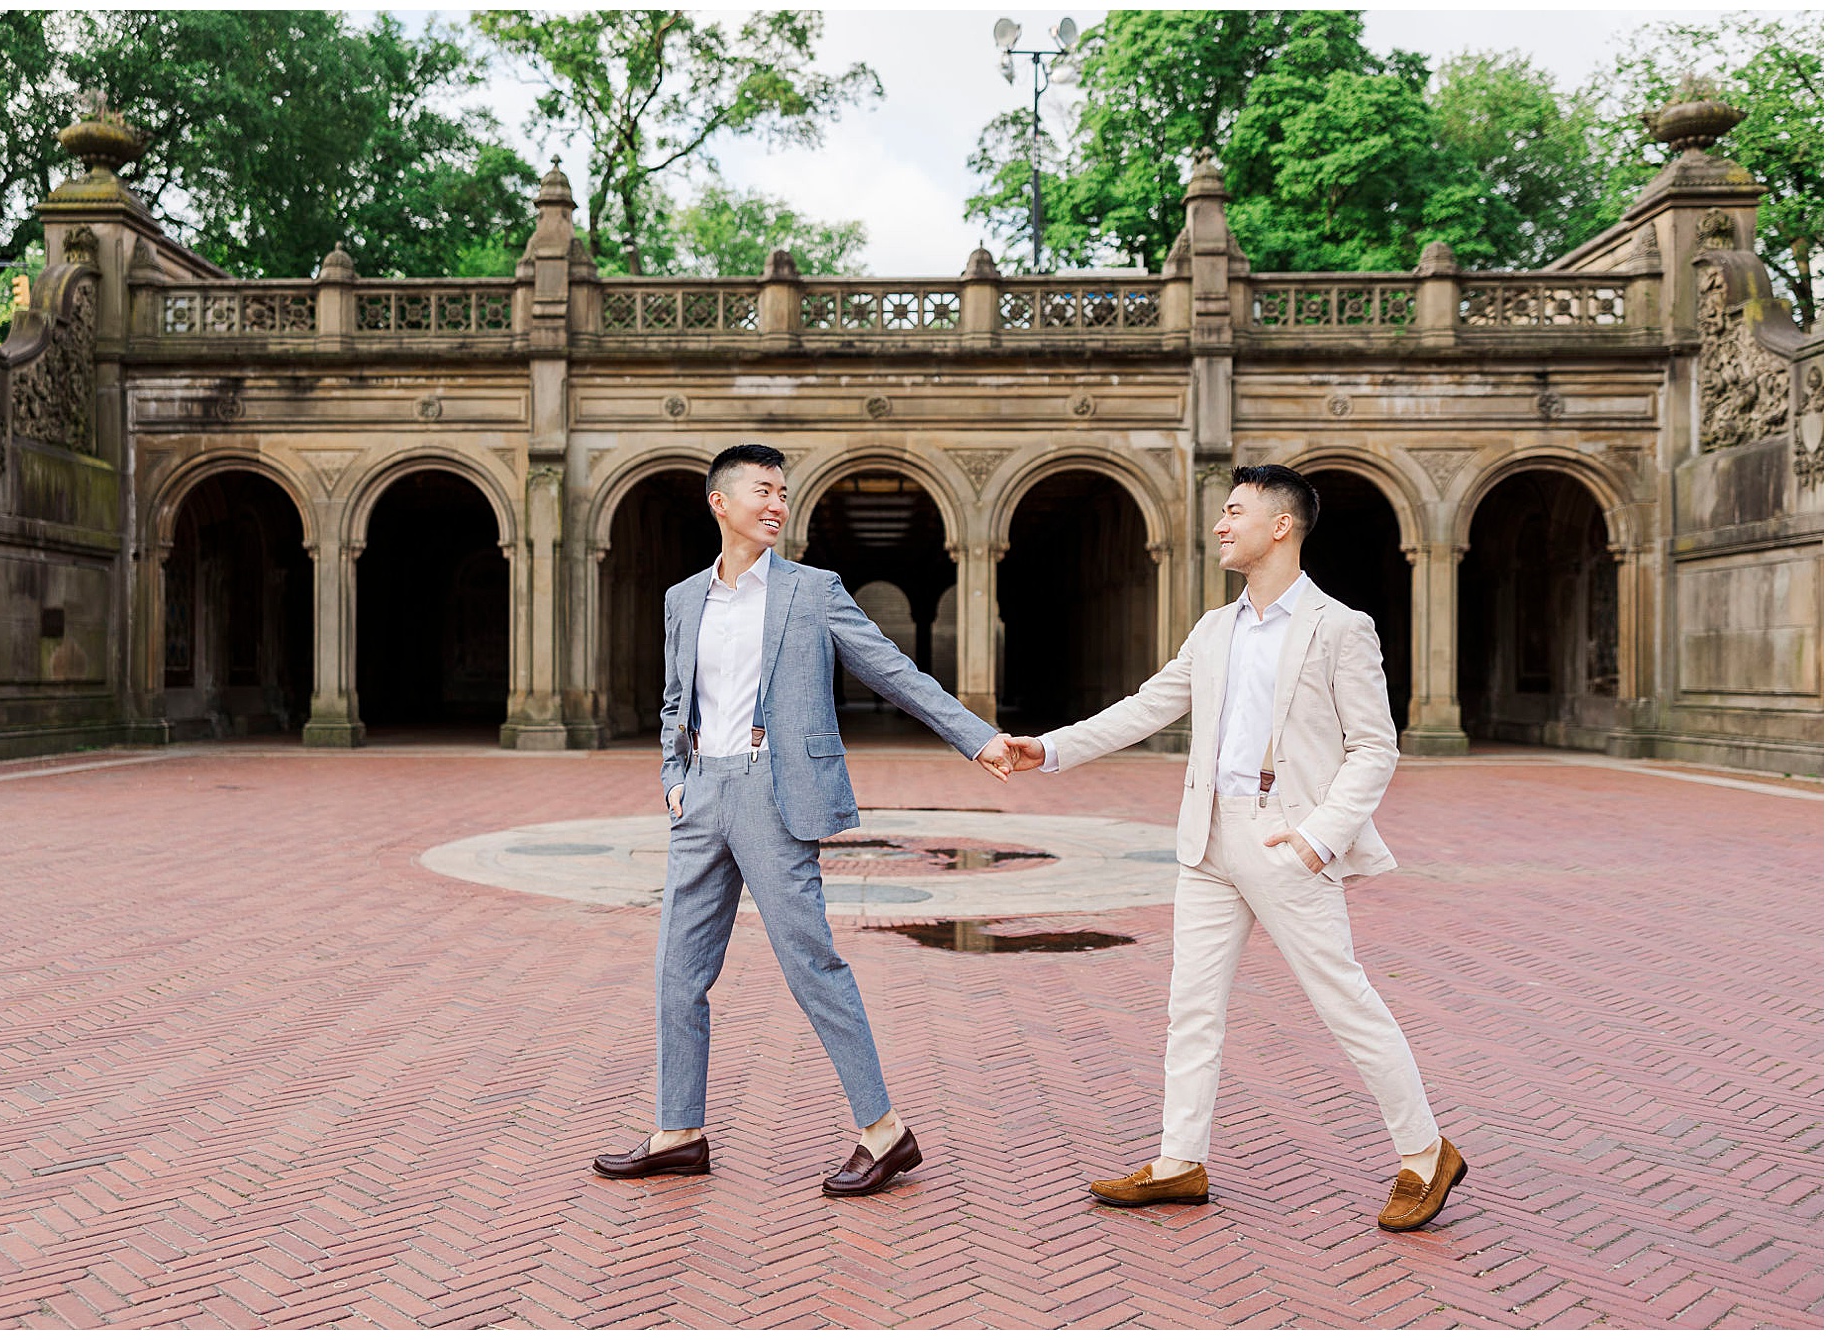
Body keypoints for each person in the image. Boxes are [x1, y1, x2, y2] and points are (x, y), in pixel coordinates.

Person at [1003, 463, 1466, 1232]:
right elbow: (1146, 707)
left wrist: (1319, 837)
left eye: (1234, 512)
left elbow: (1375, 749)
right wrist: (1045, 752)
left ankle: (1424, 1153)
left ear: (1280, 525)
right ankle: (1181, 1162)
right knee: (1192, 1006)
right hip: (1208, 834)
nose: (1219, 525)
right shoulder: (1215, 628)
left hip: (1285, 836)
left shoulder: (1340, 627)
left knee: (1342, 999)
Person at [593, 443, 1015, 1197]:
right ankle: (679, 1131)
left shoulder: (812, 590)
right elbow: (671, 701)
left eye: (784, 493)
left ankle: (884, 1133)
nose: (779, 505)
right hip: (701, 796)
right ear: (720, 503)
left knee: (811, 964)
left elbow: (889, 669)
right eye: (765, 491)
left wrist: (974, 736)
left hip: (773, 792)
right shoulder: (684, 599)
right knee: (676, 974)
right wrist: (672, 778)